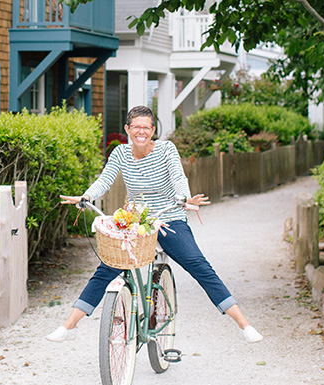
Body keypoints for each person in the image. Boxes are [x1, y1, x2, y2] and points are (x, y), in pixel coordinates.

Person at [46, 105, 263, 344]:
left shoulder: (166, 149)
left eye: (146, 127)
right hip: (137, 220)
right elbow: (105, 180)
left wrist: (184, 198)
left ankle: (243, 324)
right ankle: (69, 326)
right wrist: (86, 196)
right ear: (127, 129)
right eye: (136, 127)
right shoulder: (120, 153)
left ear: (152, 130)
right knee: (107, 268)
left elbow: (178, 177)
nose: (141, 132)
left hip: (169, 218)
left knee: (198, 266)